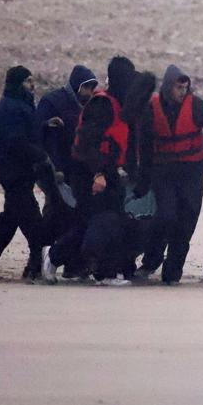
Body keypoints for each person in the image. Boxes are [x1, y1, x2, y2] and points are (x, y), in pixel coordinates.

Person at [137, 65, 203, 285]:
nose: (182, 92)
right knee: (166, 216)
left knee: (186, 223)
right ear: (168, 87)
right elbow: (144, 147)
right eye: (178, 87)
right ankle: (151, 260)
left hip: (191, 174)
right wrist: (142, 179)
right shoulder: (151, 109)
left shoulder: (196, 106)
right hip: (163, 173)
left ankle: (172, 273)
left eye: (185, 87)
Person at [65, 57, 156, 285]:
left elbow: (131, 143)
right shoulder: (102, 105)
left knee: (107, 222)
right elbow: (88, 144)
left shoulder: (124, 105)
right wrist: (98, 173)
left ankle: (108, 270)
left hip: (111, 172)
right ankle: (100, 271)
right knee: (104, 221)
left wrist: (137, 176)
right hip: (89, 172)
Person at [0, 67, 56, 281]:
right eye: (28, 81)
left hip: (19, 175)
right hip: (14, 175)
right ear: (18, 84)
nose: (32, 85)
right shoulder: (10, 108)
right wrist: (40, 156)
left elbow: (25, 131)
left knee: (9, 221)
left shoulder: (19, 105)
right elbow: (16, 142)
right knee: (35, 225)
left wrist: (44, 126)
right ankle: (34, 268)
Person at [37, 65, 98, 274]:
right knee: (56, 214)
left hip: (76, 172)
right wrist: (46, 124)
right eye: (86, 87)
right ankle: (39, 260)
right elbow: (35, 130)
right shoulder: (53, 101)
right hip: (52, 169)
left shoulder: (88, 106)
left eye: (92, 88)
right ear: (76, 86)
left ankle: (73, 266)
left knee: (74, 216)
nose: (89, 93)